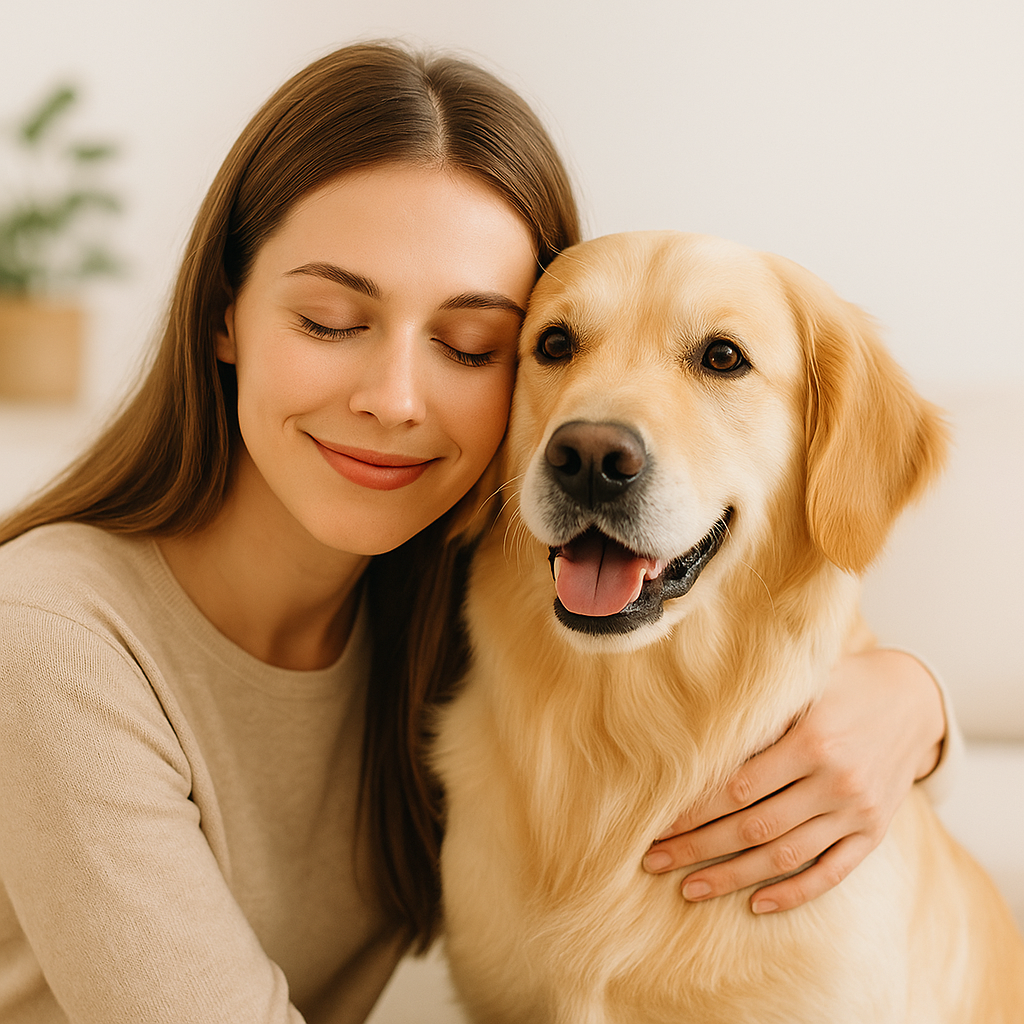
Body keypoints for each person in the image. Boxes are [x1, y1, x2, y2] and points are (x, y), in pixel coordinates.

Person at [0, 41, 953, 1024]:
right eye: (330, 319)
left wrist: (917, 711)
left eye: (469, 344)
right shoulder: (50, 641)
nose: (394, 398)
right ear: (223, 312)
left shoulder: (445, 604)